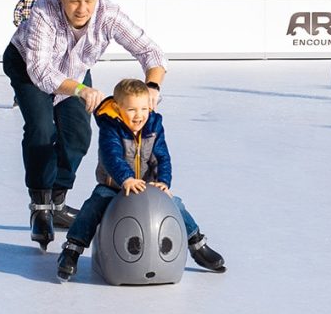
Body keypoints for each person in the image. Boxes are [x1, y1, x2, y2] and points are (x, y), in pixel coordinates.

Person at [2, 0, 167, 249]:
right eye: (75, 0)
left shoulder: (109, 15)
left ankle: (58, 201)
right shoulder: (44, 9)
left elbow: (150, 51)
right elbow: (41, 70)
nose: (82, 8)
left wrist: (152, 86)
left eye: (89, 1)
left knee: (79, 135)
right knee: (42, 128)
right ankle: (40, 207)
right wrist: (80, 89)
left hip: (75, 71)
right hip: (27, 66)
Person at [56, 78, 225, 281]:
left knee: (176, 204)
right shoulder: (111, 126)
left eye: (144, 109)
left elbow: (162, 157)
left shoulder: (154, 126)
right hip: (114, 187)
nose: (139, 116)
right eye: (132, 110)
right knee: (92, 207)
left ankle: (198, 245)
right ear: (118, 108)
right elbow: (112, 156)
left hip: (147, 188)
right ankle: (72, 250)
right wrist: (126, 178)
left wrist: (163, 181)